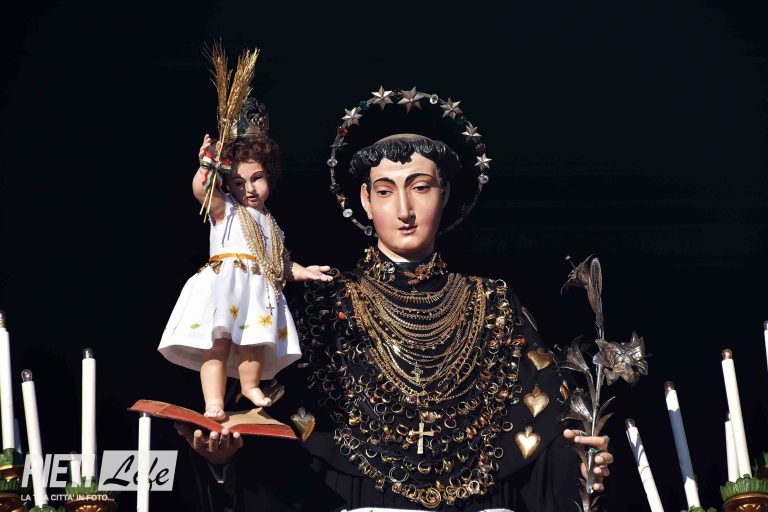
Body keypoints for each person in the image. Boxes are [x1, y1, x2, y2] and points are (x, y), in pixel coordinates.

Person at [174, 134, 614, 512]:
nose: (405, 209)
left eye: (420, 187)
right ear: (366, 201)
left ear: (445, 193)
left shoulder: (494, 305)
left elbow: (544, 441)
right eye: (385, 191)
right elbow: (275, 450)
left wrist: (579, 467)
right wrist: (224, 462)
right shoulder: (324, 305)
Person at [158, 100, 332, 420]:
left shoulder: (271, 224)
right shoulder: (225, 209)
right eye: (239, 182)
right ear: (228, 184)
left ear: (269, 177)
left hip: (257, 291)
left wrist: (304, 271)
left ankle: (250, 385)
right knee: (217, 344)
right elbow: (202, 191)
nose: (249, 188)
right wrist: (206, 166)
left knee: (255, 342)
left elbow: (278, 263)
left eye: (257, 178)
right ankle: (214, 402)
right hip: (227, 286)